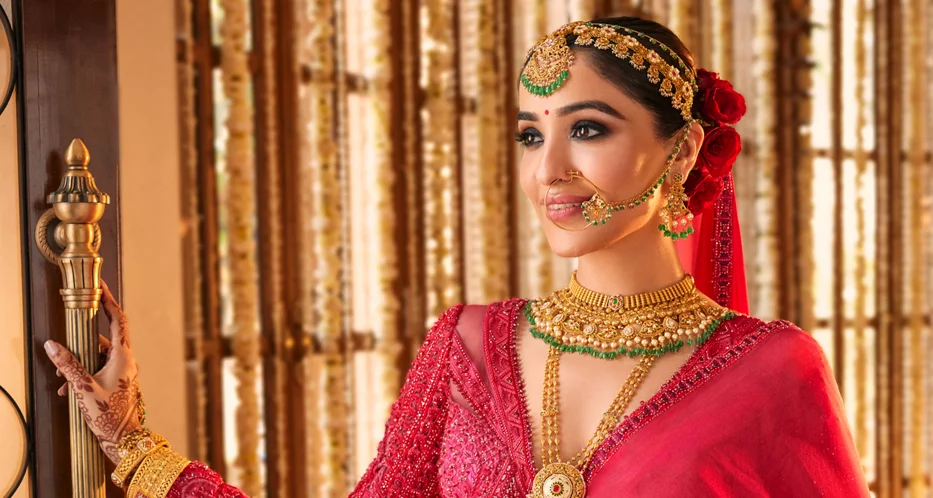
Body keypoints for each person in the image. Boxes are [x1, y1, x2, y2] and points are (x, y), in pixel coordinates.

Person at [42, 16, 869, 498]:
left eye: (588, 129)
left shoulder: (771, 372)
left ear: (684, 149)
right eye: (529, 135)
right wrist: (134, 449)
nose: (549, 171)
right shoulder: (468, 347)